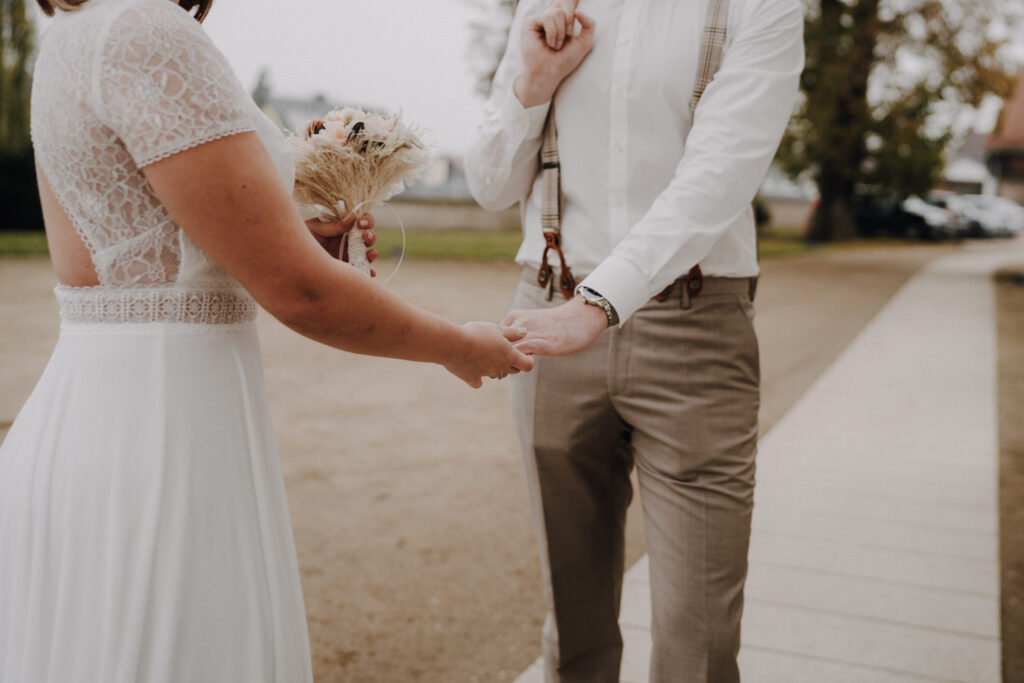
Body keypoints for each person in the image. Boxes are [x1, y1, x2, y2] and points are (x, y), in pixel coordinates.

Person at [0, 0, 533, 681]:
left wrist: (292, 239)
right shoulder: (150, 33)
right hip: (161, 440)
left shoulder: (76, 35)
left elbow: (145, 246)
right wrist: (458, 345)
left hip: (98, 415)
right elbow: (301, 293)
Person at [465, 0, 803, 680]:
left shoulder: (761, 6)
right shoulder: (549, 6)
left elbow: (721, 174)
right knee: (574, 620)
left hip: (696, 326)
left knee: (700, 641)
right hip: (547, 311)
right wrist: (533, 84)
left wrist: (599, 301)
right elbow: (490, 185)